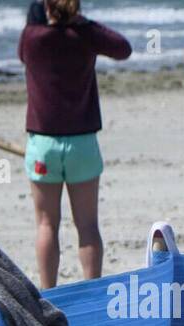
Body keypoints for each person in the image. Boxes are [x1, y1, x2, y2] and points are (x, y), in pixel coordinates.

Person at [16, 0, 130, 289]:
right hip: (82, 142)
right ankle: (91, 294)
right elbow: (123, 48)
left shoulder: (31, 37)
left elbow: (21, 56)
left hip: (44, 143)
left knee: (46, 224)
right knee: (88, 227)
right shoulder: (85, 35)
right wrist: (84, 23)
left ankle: (49, 294)